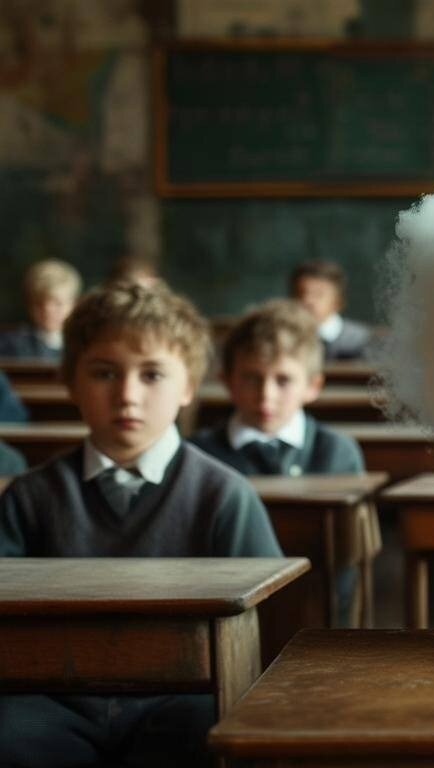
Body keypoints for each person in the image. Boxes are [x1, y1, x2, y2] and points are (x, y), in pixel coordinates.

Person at [0, 281, 281, 768]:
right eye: (104, 373)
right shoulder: (31, 495)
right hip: (48, 698)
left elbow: (268, 627)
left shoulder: (224, 496)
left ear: (189, 387)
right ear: (70, 382)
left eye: (152, 375)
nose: (127, 395)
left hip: (190, 697)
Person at [191, 299, 364, 477]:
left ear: (313, 386)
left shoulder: (337, 453)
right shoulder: (198, 455)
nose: (266, 395)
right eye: (251, 379)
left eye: (283, 381)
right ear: (227, 382)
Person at [289, 259, 371, 360]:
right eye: (300, 293)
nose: (307, 300)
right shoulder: (282, 337)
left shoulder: (360, 341)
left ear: (338, 302)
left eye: (318, 294)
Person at [0, 258, 82, 359]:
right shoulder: (10, 346)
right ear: (29, 304)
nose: (48, 311)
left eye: (57, 303)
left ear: (74, 303)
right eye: (39, 303)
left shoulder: (82, 345)